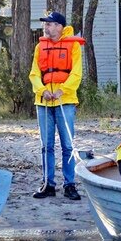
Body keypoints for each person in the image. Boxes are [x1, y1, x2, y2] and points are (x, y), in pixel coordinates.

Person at [29, 11, 85, 201]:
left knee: (68, 145)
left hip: (65, 101)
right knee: (47, 146)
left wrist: (62, 90)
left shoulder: (73, 46)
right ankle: (48, 184)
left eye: (51, 24)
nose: (47, 26)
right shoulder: (40, 47)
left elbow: (76, 73)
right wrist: (42, 90)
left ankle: (70, 184)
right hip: (43, 101)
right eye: (46, 24)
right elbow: (34, 73)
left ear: (60, 26)